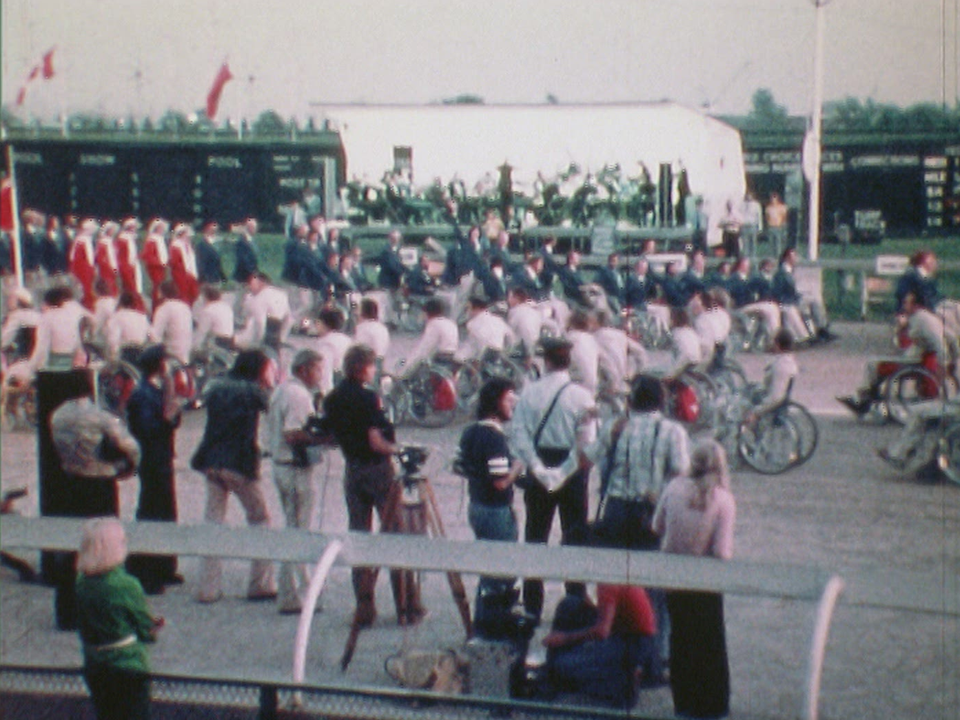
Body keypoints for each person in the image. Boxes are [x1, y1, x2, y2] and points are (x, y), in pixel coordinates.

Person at [588, 373, 691, 661]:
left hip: (617, 509)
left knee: (613, 581)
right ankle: (653, 655)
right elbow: (680, 474)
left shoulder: (616, 427)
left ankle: (615, 650)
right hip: (651, 510)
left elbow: (591, 457)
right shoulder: (673, 432)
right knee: (652, 584)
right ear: (661, 400)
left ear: (632, 400)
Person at [321, 344, 423, 626]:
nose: (373, 370)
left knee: (359, 537)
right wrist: (399, 450)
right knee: (394, 536)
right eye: (370, 366)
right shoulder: (368, 398)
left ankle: (364, 607)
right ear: (360, 368)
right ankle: (407, 607)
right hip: (377, 470)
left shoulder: (332, 398)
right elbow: (375, 441)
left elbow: (329, 436)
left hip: (352, 470)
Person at [509, 336, 597, 621]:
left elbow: (518, 434)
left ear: (545, 361)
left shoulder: (530, 393)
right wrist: (563, 472)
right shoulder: (582, 396)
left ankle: (533, 604)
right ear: (568, 361)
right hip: (572, 471)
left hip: (539, 463)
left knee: (536, 534)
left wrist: (537, 467)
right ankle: (576, 599)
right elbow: (586, 442)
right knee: (574, 535)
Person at [49, 371, 141, 630]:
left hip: (69, 482)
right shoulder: (100, 416)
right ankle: (104, 608)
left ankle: (66, 613)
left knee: (69, 547)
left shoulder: (56, 416)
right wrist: (127, 467)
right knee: (104, 545)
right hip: (99, 483)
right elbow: (131, 446)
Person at [652, 440, 735, 720]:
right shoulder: (722, 499)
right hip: (705, 580)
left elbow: (657, 526)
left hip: (674, 577)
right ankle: (712, 707)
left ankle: (684, 704)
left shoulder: (673, 487)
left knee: (681, 640)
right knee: (710, 644)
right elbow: (722, 552)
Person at [190, 349, 277, 603]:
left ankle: (208, 587)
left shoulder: (216, 386)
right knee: (259, 518)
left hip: (210, 458)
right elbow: (272, 406)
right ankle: (260, 583)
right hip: (238, 463)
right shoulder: (254, 392)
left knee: (213, 520)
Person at [457, 378, 524, 640]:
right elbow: (500, 482)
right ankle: (493, 628)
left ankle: (481, 622)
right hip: (496, 509)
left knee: (487, 567)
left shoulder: (470, 431)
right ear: (495, 403)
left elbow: (458, 465)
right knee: (500, 571)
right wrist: (517, 467)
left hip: (476, 505)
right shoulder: (495, 438)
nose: (512, 406)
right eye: (508, 400)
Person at [76, 518, 163, 720]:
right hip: (126, 664)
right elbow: (144, 628)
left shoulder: (81, 583)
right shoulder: (125, 585)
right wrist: (153, 629)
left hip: (94, 662)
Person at [266, 349, 326, 614]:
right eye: (317, 369)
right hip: (295, 468)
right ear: (303, 370)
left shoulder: (282, 390)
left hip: (281, 466)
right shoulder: (299, 395)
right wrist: (323, 438)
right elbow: (293, 434)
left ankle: (296, 590)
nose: (321, 375)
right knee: (298, 533)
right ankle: (294, 593)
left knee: (294, 528)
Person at [125, 345, 183, 595]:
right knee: (153, 510)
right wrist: (168, 415)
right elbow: (152, 426)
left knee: (165, 510)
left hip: (161, 457)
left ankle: (163, 566)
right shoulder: (142, 395)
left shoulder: (154, 390)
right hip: (151, 458)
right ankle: (146, 570)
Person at [400, 296, 458, 376]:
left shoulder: (434, 324)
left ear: (426, 312)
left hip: (439, 360)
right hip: (452, 358)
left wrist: (407, 367)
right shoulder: (450, 323)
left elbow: (424, 348)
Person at [150, 281, 193, 365]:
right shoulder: (185, 306)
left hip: (171, 350)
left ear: (161, 293)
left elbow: (155, 334)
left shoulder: (163, 308)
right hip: (186, 349)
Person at [103, 291, 152, 362]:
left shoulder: (116, 317)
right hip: (142, 355)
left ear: (120, 303)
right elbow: (152, 337)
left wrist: (112, 358)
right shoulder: (142, 317)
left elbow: (113, 341)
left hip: (125, 356)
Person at [353, 298, 390, 362]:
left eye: (358, 310)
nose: (356, 313)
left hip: (366, 362)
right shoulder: (382, 327)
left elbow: (359, 350)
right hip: (380, 361)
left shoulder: (363, 328)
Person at [233, 218, 260, 284]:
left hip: (251, 276)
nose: (255, 230)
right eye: (254, 227)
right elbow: (243, 259)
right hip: (243, 277)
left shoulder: (251, 240)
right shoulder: (242, 241)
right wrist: (251, 272)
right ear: (249, 228)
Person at [764, 192, 789, 259]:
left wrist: (783, 226)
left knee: (778, 242)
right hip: (771, 226)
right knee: (771, 242)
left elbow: (784, 217)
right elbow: (767, 217)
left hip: (778, 226)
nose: (773, 200)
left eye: (774, 199)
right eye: (772, 199)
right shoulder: (768, 208)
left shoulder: (782, 207)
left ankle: (778, 255)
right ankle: (772, 255)